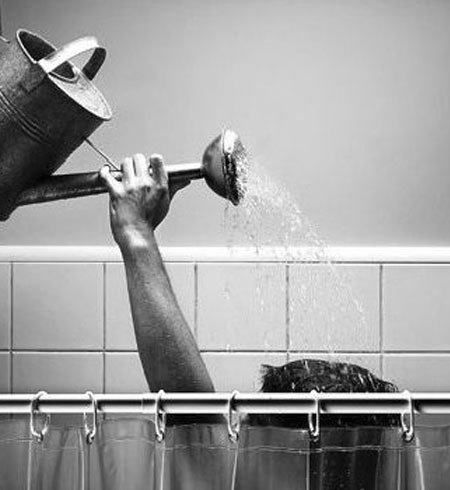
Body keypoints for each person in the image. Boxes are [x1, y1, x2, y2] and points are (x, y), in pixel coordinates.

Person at [99, 153, 398, 429]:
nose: (237, 428)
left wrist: (136, 232)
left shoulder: (241, 469)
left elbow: (191, 415)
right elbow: (192, 414)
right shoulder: (388, 463)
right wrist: (137, 231)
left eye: (251, 423)